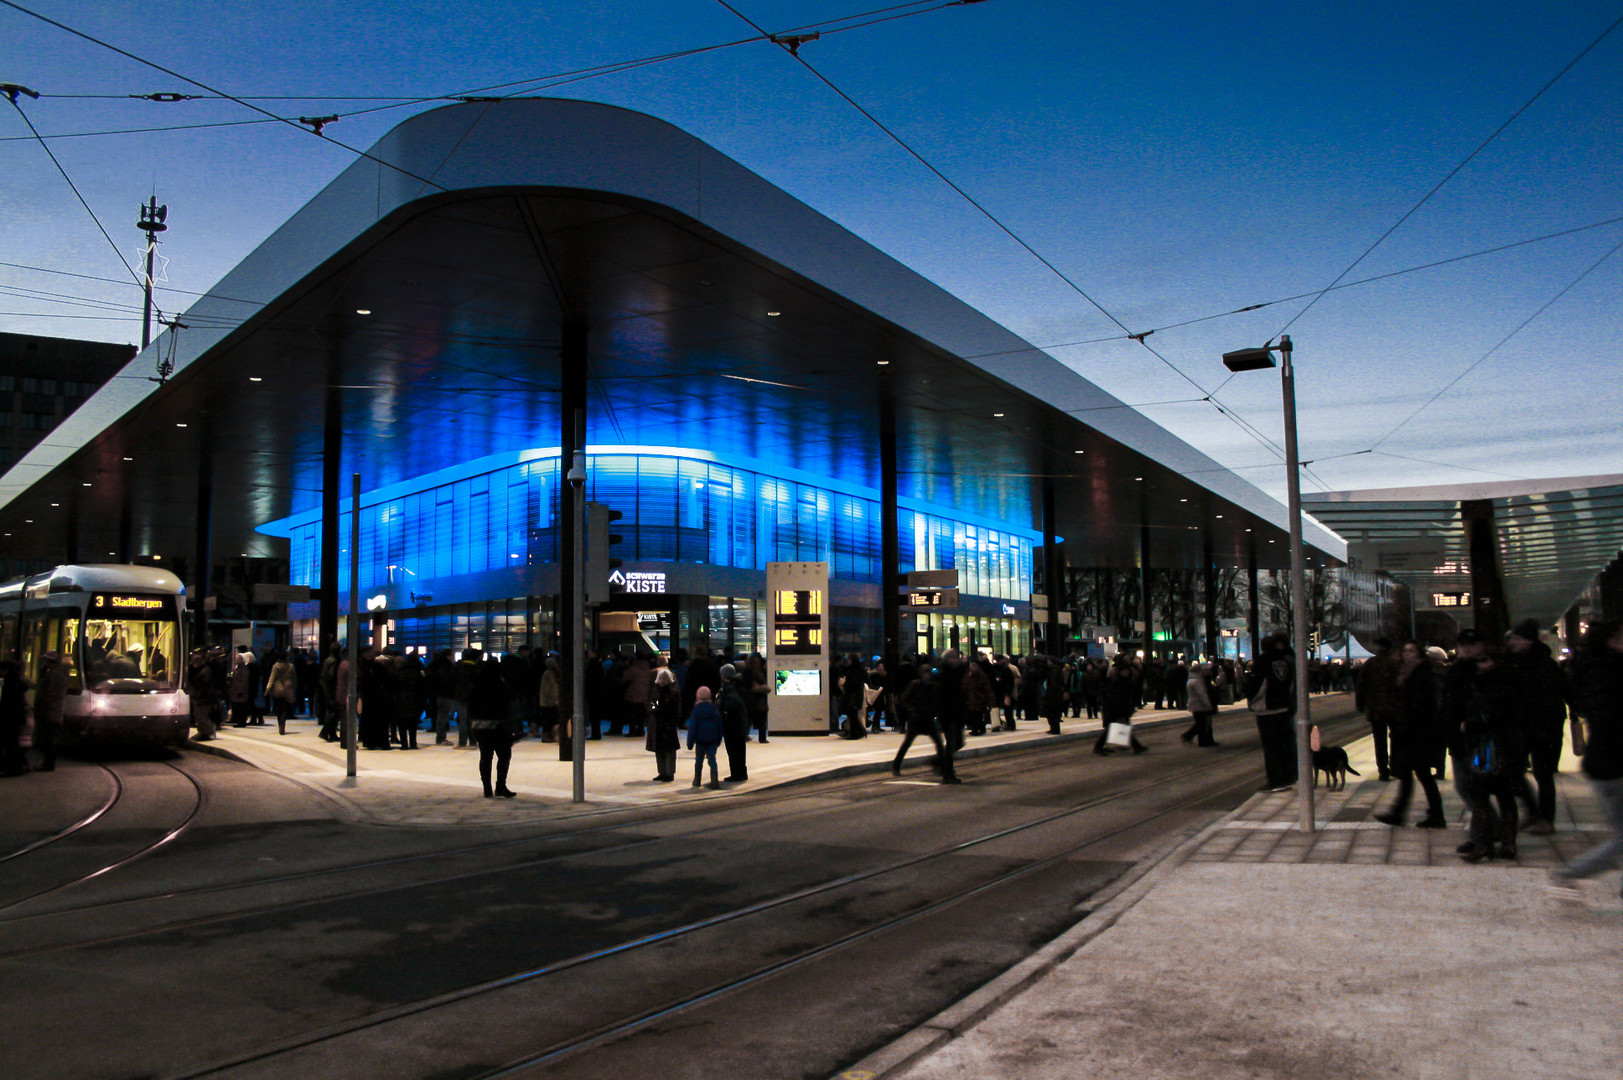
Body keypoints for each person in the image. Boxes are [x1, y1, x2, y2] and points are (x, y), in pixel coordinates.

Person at [1551, 621, 1623, 899]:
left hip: (1607, 760)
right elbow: (1608, 717)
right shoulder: (1605, 672)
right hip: (1611, 763)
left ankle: (1570, 873)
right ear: (1611, 640)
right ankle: (1570, 872)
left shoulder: (1599, 669)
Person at [1457, 645, 1527, 860]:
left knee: (1480, 796)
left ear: (1495, 663)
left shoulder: (1491, 684)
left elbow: (1490, 715)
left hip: (1490, 749)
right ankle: (1507, 845)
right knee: (1505, 798)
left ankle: (1484, 844)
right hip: (1508, 748)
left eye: (1485, 661)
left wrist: (1468, 725)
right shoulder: (1512, 682)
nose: (1480, 665)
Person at [1506, 619, 1570, 835]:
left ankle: (1545, 818)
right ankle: (1534, 812)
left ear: (1527, 641)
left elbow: (1555, 697)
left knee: (1543, 775)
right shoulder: (1518, 662)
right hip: (1524, 727)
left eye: (1516, 638)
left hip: (1543, 729)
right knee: (1514, 771)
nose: (1512, 642)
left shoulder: (1543, 666)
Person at [1374, 641, 1447, 829]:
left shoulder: (1421, 674)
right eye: (1405, 650)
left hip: (1417, 732)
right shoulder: (1406, 672)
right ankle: (1402, 812)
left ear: (1419, 654)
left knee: (1422, 774)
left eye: (1411, 651)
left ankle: (1435, 815)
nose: (1407, 654)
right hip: (1407, 731)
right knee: (1409, 774)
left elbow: (1420, 705)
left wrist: (1405, 726)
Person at [1244, 633, 1296, 790]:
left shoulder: (1262, 662)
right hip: (1283, 707)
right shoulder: (1285, 660)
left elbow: (1257, 686)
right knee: (1285, 744)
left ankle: (1276, 779)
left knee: (1271, 747)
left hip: (1267, 709)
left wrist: (1251, 702)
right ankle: (1289, 775)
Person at [893, 666, 954, 781]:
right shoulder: (915, 685)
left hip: (927, 719)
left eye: (928, 673)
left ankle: (942, 766)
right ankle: (896, 766)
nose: (927, 675)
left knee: (939, 743)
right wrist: (912, 711)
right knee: (907, 743)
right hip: (916, 719)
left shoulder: (932, 686)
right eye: (925, 673)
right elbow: (905, 698)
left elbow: (937, 701)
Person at [468, 654, 515, 797]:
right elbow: (507, 703)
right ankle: (500, 785)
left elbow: (471, 703)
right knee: (504, 755)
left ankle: (486, 787)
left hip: (481, 725)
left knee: (485, 756)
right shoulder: (500, 683)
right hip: (499, 725)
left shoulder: (477, 684)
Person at [1355, 637, 1400, 781]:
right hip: (1395, 708)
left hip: (1376, 709)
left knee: (1379, 741)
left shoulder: (1371, 664)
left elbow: (1361, 686)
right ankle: (1395, 766)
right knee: (1396, 738)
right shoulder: (1396, 663)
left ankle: (1383, 769)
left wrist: (1360, 704)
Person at [1095, 652, 1147, 755]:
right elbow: (1117, 696)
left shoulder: (1122, 680)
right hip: (1114, 706)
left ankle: (1135, 746)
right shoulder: (1118, 681)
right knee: (1116, 726)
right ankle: (1099, 747)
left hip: (1117, 706)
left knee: (1117, 726)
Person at [31, 650, 69, 770]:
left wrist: (44, 706)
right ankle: (47, 763)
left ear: (49, 661)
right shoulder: (54, 673)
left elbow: (50, 693)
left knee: (49, 738)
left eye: (44, 660)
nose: (42, 662)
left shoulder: (55, 675)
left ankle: (48, 764)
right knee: (48, 738)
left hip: (51, 711)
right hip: (51, 710)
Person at [0, 659, 34, 776]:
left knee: (11, 744)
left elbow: (8, 702)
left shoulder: (10, 682)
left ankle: (13, 768)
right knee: (14, 743)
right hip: (17, 717)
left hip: (11, 717)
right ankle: (19, 766)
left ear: (6, 670)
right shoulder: (18, 681)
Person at [717, 663, 750, 782]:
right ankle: (740, 773)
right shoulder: (739, 685)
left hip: (733, 724)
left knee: (734, 750)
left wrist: (722, 704)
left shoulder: (729, 688)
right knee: (739, 750)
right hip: (740, 722)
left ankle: (737, 774)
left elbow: (731, 703)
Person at [686, 685, 724, 789]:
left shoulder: (696, 710)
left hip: (700, 740)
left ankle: (697, 780)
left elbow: (692, 727)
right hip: (712, 740)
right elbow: (719, 725)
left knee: (699, 761)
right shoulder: (714, 709)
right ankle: (714, 780)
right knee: (712, 760)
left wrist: (690, 743)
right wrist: (718, 739)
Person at [648, 667, 681, 782]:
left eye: (664, 678)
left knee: (669, 751)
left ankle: (669, 772)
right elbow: (652, 706)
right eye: (661, 678)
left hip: (668, 725)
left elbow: (676, 710)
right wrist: (653, 712)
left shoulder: (673, 692)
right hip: (658, 724)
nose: (662, 681)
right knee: (660, 750)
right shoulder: (656, 691)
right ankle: (662, 772)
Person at [1181, 661, 1219, 747]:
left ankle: (1201, 740)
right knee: (1201, 724)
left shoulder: (1191, 680)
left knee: (1201, 723)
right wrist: (1208, 704)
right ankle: (1189, 736)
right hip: (1199, 705)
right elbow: (1202, 694)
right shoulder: (1197, 681)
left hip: (1196, 704)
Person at [263, 649, 298, 735]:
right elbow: (294, 679)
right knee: (285, 709)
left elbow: (271, 679)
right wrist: (293, 687)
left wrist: (267, 689)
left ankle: (280, 725)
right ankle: (283, 724)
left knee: (278, 709)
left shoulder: (275, 666)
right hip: (287, 689)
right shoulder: (291, 666)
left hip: (277, 690)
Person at [743, 652, 770, 742]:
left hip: (750, 699)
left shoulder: (748, 671)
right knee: (761, 718)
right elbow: (753, 687)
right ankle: (762, 738)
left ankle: (745, 735)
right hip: (758, 699)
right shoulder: (756, 672)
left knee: (749, 718)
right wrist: (764, 688)